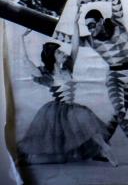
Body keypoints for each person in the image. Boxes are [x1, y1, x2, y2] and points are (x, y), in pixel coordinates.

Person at [52, 0, 128, 165]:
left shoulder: (117, 22)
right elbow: (66, 38)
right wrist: (41, 25)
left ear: (101, 21)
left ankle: (100, 149)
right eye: (87, 27)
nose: (90, 29)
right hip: (113, 76)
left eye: (92, 25)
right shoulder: (91, 40)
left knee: (118, 117)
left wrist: (89, 0)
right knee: (119, 110)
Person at [18, 24, 118, 166]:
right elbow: (25, 61)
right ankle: (29, 159)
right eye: (59, 53)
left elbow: (75, 46)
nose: (63, 54)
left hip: (72, 110)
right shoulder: (48, 75)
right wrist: (22, 38)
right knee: (61, 158)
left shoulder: (68, 68)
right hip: (56, 114)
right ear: (52, 57)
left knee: (85, 117)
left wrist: (76, 23)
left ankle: (104, 147)